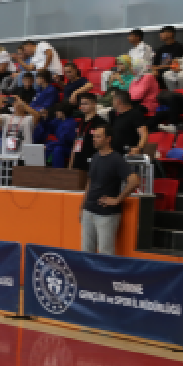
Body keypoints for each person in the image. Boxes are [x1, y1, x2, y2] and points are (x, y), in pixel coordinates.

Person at [81, 125, 140, 255]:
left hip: (106, 214)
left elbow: (134, 180)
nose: (94, 139)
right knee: (86, 252)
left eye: (98, 136)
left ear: (108, 139)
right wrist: (82, 207)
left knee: (105, 253)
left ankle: (106, 276)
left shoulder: (116, 159)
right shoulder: (95, 157)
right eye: (94, 136)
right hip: (89, 211)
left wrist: (117, 199)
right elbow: (90, 182)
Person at [70, 92, 107, 171]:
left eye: (85, 104)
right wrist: (70, 164)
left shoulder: (101, 123)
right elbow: (76, 143)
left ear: (94, 104)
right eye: (81, 104)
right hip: (78, 161)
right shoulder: (80, 123)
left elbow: (104, 145)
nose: (82, 106)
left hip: (93, 161)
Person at [106, 89, 147, 156]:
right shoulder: (114, 115)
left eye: (113, 100)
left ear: (118, 101)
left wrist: (139, 148)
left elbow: (144, 134)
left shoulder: (135, 114)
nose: (111, 102)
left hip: (129, 155)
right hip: (115, 155)